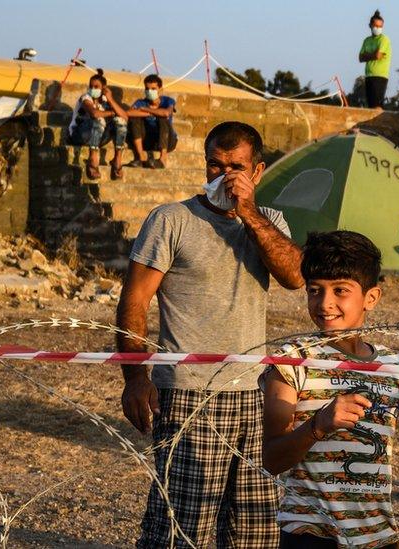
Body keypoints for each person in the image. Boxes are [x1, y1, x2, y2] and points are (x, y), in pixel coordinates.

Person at [116, 121, 304, 548]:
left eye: (235, 168)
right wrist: (135, 378)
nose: (223, 177)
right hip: (190, 394)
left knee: (255, 529)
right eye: (214, 166)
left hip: (255, 394)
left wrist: (249, 212)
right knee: (184, 527)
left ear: (257, 172)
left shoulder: (269, 221)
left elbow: (294, 276)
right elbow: (134, 302)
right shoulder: (172, 219)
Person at [262, 230, 399, 549]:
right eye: (315, 290)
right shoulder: (292, 361)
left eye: (340, 290)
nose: (325, 303)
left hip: (377, 535)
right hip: (311, 534)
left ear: (371, 297)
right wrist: (319, 425)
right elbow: (272, 458)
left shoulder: (394, 366)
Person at [67, 69, 128, 180]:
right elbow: (94, 114)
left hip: (99, 136)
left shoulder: (105, 100)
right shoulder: (86, 98)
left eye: (96, 87)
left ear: (103, 88)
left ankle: (117, 161)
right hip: (80, 134)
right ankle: (93, 159)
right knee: (98, 119)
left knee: (120, 121)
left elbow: (125, 117)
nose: (92, 89)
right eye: (91, 86)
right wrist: (111, 113)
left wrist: (110, 99)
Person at [126, 74, 178, 169]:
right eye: (147, 89)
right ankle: (141, 156)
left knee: (163, 119)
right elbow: (129, 113)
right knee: (134, 119)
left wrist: (146, 109)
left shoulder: (168, 101)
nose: (150, 91)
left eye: (153, 89)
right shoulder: (141, 102)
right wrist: (152, 113)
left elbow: (166, 113)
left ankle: (162, 159)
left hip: (167, 140)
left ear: (160, 89)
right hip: (148, 139)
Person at [358, 10, 391, 109]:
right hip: (369, 76)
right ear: (370, 25)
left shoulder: (384, 40)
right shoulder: (366, 40)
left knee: (377, 105)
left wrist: (368, 55)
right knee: (371, 105)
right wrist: (373, 54)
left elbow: (377, 56)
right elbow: (360, 57)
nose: (378, 28)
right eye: (376, 26)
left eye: (380, 26)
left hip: (380, 76)